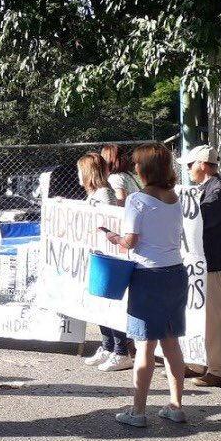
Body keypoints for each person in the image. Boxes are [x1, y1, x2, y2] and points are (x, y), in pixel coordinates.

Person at [102, 143, 188, 428]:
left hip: (148, 276)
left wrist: (115, 238)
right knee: (171, 342)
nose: (134, 168)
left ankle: (137, 410)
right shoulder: (173, 197)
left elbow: (131, 241)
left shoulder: (137, 200)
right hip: (175, 273)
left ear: (146, 168)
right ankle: (176, 405)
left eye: (138, 163)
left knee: (145, 346)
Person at [182, 145, 221, 387]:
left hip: (212, 263)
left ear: (202, 164)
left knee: (214, 318)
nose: (187, 169)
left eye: (190, 164)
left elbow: (201, 220)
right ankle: (199, 362)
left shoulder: (216, 191)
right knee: (202, 316)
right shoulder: (211, 188)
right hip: (206, 262)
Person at [77, 153, 133, 373]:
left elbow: (109, 220)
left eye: (80, 170)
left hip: (108, 256)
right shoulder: (94, 193)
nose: (78, 175)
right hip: (98, 255)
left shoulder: (105, 193)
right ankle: (107, 346)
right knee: (100, 302)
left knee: (110, 303)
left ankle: (121, 351)